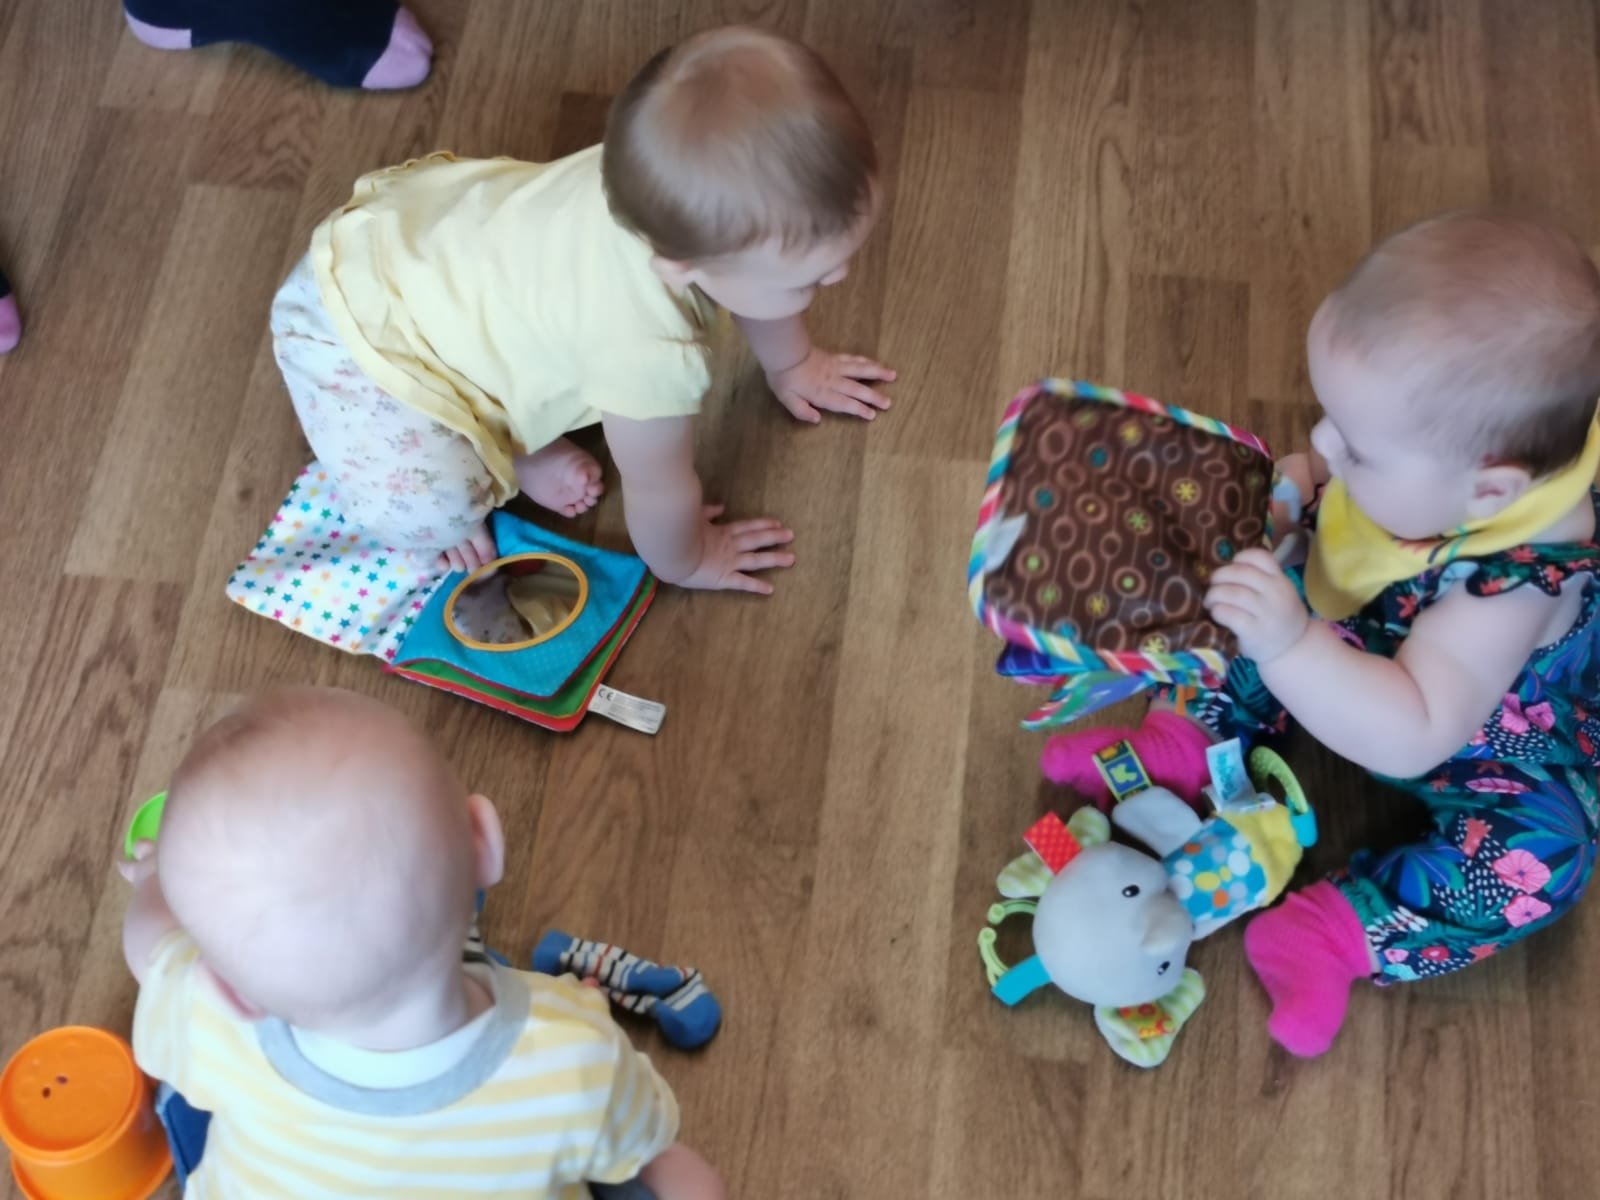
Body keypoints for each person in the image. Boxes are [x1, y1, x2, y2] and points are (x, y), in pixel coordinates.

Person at [1043, 211, 1600, 1057]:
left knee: (1548, 858)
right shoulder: (1449, 462)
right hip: (1364, 618)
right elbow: (1327, 482)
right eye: (1329, 418)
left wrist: (1291, 645)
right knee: (1240, 584)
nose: (1322, 442)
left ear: (1490, 494)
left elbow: (1413, 731)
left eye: (1358, 448)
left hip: (1470, 726)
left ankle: (1340, 930)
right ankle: (1182, 744)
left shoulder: (1515, 587)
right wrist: (1293, 495)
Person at [271, 24, 894, 586]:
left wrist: (793, 363)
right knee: (428, 511)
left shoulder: (660, 185)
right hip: (366, 351)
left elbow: (752, 282)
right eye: (807, 281)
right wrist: (689, 559)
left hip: (404, 238)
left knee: (532, 345)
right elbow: (659, 488)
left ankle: (516, 442)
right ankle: (496, 457)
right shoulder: (647, 353)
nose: (840, 276)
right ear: (683, 267)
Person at [120, 687, 724, 1198]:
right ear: (485, 843)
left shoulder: (212, 1022)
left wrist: (152, 881)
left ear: (232, 994)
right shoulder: (573, 1054)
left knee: (184, 1102)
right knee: (652, 1167)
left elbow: (150, 946)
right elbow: (655, 1155)